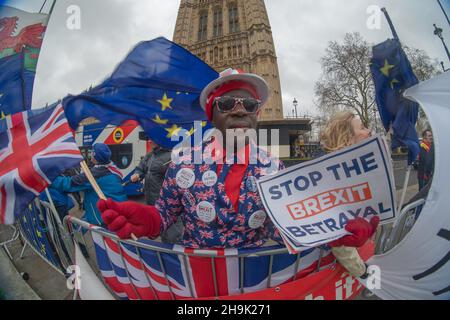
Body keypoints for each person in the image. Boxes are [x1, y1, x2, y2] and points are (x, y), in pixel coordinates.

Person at [97, 69, 376, 254]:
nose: (240, 109)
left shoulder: (273, 168)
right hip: (197, 279)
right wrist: (149, 220)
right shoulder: (183, 162)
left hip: (254, 282)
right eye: (228, 103)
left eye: (250, 104)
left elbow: (281, 229)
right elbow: (165, 214)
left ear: (257, 113)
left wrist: (332, 236)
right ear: (212, 114)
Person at [319, 111, 380, 278]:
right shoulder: (336, 177)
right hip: (328, 267)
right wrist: (361, 271)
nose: (368, 132)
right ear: (346, 137)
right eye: (362, 128)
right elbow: (340, 240)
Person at [50, 143, 127, 226]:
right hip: (117, 212)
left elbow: (68, 184)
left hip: (105, 220)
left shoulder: (94, 175)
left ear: (94, 156)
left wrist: (48, 179)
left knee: (104, 238)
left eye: (91, 152)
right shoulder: (112, 168)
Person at [130, 141, 183, 243]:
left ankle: (174, 255)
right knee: (162, 232)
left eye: (152, 138)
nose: (149, 141)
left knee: (172, 235)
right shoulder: (150, 155)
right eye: (148, 138)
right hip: (152, 202)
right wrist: (137, 174)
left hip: (167, 204)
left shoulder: (172, 156)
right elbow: (141, 168)